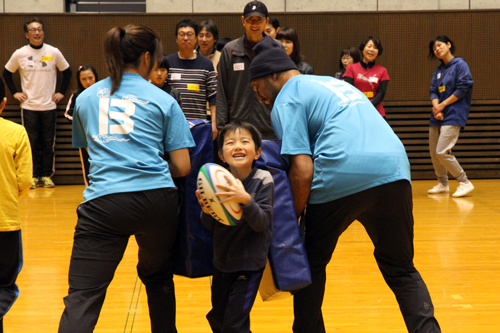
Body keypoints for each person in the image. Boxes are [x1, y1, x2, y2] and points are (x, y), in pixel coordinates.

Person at [249, 36, 441, 333]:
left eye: (256, 87)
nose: (259, 96)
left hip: (340, 174)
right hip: (395, 171)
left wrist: (292, 221)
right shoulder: (334, 83)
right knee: (401, 268)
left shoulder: (286, 97)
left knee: (308, 266)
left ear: (273, 74)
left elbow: (301, 170)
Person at [58, 24, 195, 333]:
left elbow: (89, 155)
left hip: (104, 203)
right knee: (157, 275)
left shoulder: (86, 98)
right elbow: (183, 166)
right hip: (157, 202)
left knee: (83, 297)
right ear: (147, 57)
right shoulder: (163, 99)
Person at [196, 121, 274, 333]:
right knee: (218, 318)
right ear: (221, 155)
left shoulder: (263, 180)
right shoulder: (216, 182)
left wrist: (246, 200)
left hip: (249, 265)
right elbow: (209, 226)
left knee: (234, 324)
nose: (237, 146)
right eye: (230, 143)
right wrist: (207, 208)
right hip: (222, 262)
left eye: (244, 141)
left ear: (257, 152)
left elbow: (262, 224)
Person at [3, 17, 72, 189]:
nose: (37, 33)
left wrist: (61, 93)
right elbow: (6, 73)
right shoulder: (20, 53)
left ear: (43, 32)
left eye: (39, 29)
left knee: (48, 143)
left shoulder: (53, 52)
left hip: (49, 106)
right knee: (31, 142)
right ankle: (33, 176)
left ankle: (47, 175)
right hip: (29, 107)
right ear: (26, 34)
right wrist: (15, 92)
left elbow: (68, 72)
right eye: (33, 30)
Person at [216, 0, 276, 140]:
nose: (254, 24)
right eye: (250, 20)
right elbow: (222, 91)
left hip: (270, 127)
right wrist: (221, 126)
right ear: (243, 21)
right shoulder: (230, 50)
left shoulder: (276, 49)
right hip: (238, 128)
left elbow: (284, 89)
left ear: (266, 21)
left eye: (259, 20)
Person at [0, 78, 32, 333]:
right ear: (3, 103)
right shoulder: (15, 132)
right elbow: (24, 181)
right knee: (3, 286)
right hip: (4, 222)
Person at [427, 35, 474, 197]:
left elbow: (462, 89)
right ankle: (442, 183)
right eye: (434, 48)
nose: (437, 49)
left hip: (454, 113)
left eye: (439, 45)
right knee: (434, 152)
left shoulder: (460, 65)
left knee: (442, 151)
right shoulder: (438, 70)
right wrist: (436, 108)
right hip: (438, 114)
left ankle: (464, 181)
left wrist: (442, 105)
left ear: (448, 45)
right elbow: (433, 90)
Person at [167, 18, 217, 139]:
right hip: (173, 125)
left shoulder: (206, 64)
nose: (185, 38)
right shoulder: (168, 62)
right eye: (182, 35)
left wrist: (214, 124)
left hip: (199, 125)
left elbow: (214, 96)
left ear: (196, 39)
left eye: (189, 34)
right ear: (176, 39)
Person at [64, 65, 98, 187]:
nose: (88, 82)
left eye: (90, 78)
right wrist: (83, 122)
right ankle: (90, 191)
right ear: (79, 80)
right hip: (85, 137)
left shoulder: (104, 93)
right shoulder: (77, 95)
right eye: (84, 79)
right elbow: (68, 114)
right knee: (88, 163)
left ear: (96, 78)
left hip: (104, 136)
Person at [343, 36, 389, 120]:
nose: (371, 50)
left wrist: (368, 107)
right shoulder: (351, 68)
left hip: (376, 112)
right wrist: (361, 107)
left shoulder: (382, 70)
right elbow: (349, 91)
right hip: (356, 111)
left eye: (375, 48)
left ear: (378, 52)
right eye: (369, 46)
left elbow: (381, 94)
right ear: (362, 49)